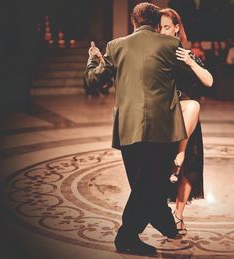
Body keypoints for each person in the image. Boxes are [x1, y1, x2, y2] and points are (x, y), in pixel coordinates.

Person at [85, 2, 193, 256]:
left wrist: (93, 59)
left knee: (144, 184)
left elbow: (92, 81)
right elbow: (188, 80)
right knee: (148, 185)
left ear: (133, 22)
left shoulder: (115, 46)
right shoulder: (170, 45)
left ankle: (162, 220)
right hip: (162, 130)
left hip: (128, 129)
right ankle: (128, 237)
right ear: (157, 24)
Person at [159, 8, 213, 235]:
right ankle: (159, 212)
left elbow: (209, 81)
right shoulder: (154, 54)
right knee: (160, 169)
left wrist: (191, 62)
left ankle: (179, 215)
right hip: (163, 117)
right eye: (159, 27)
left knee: (187, 169)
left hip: (188, 121)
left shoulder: (187, 54)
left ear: (177, 28)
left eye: (167, 27)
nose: (162, 31)